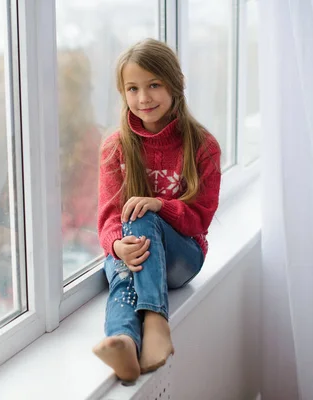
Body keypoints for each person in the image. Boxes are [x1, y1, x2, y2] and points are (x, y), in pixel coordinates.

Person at [93, 38, 222, 382]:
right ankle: (122, 341)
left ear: (174, 84)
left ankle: (155, 319)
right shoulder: (115, 147)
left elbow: (201, 218)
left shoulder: (202, 145)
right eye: (132, 89)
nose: (143, 98)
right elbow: (107, 218)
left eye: (153, 85)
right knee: (123, 272)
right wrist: (116, 246)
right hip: (134, 256)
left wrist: (160, 205)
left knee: (141, 213)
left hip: (183, 257)